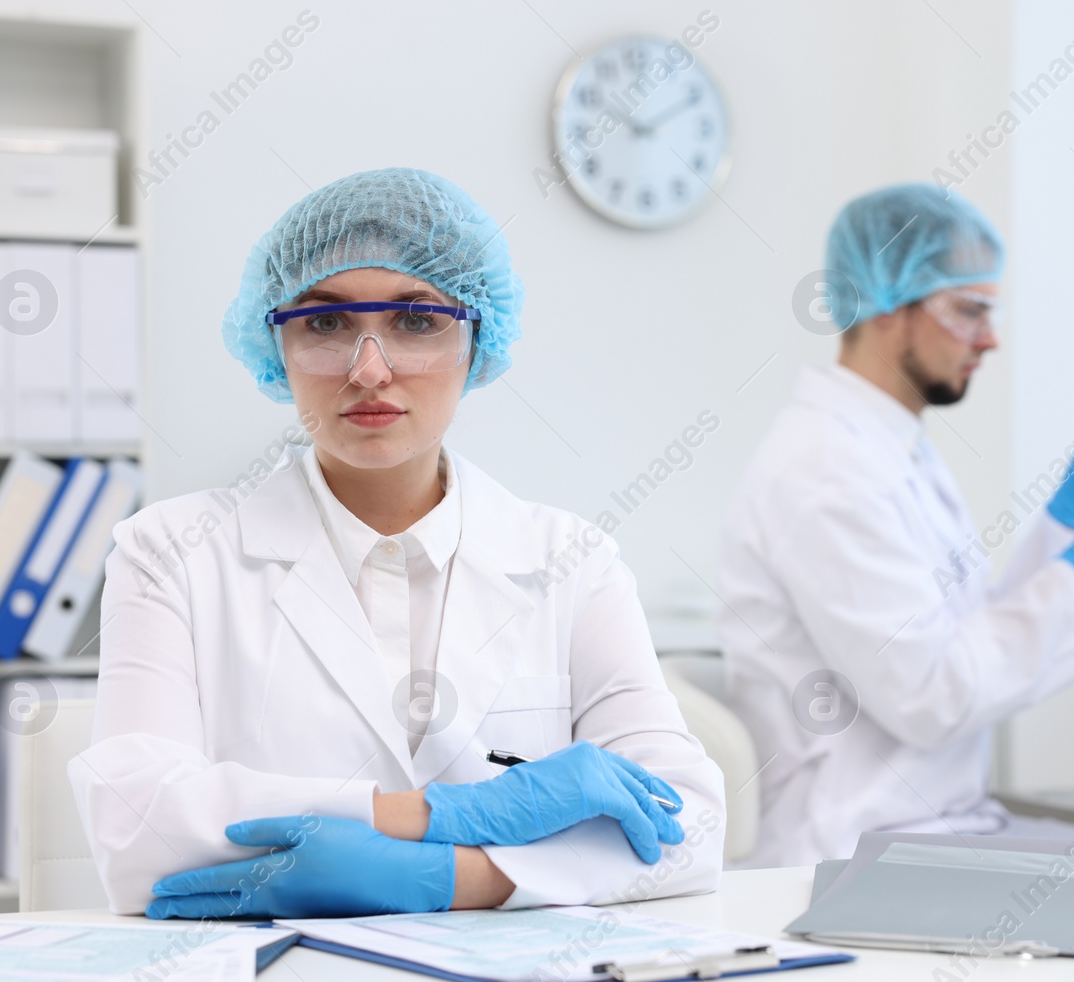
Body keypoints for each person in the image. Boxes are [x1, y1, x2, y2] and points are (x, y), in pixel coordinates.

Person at [71, 168, 724, 918]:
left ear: (476, 340)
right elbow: (134, 825)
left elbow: (690, 828)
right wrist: (433, 814)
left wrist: (448, 881)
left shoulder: (572, 561)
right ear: (273, 341)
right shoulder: (172, 551)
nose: (370, 370)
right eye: (325, 323)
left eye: (416, 321)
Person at [717, 183, 1074, 868]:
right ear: (887, 302)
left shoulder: (886, 445)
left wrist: (1067, 524)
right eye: (969, 311)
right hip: (850, 844)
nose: (991, 338)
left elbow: (967, 638)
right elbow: (933, 694)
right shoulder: (827, 470)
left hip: (928, 822)